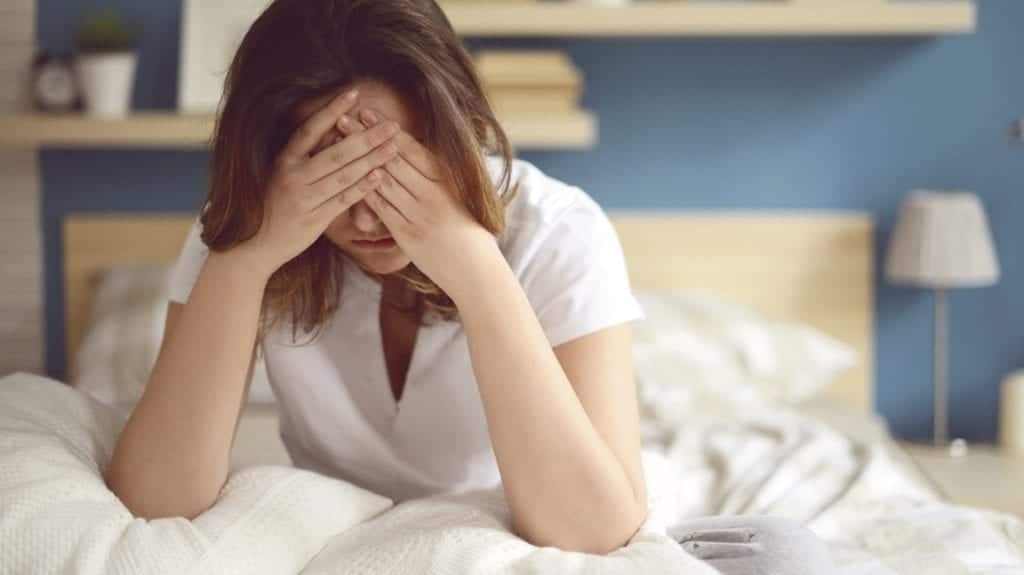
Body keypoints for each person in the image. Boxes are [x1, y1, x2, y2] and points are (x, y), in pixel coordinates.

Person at [104, 0, 835, 568]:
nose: (365, 212)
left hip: (530, 537)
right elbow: (156, 501)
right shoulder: (242, 234)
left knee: (784, 555)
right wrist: (248, 257)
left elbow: (595, 532)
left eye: (391, 167)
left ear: (453, 132)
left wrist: (472, 264)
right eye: (332, 171)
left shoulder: (556, 231)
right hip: (361, 549)